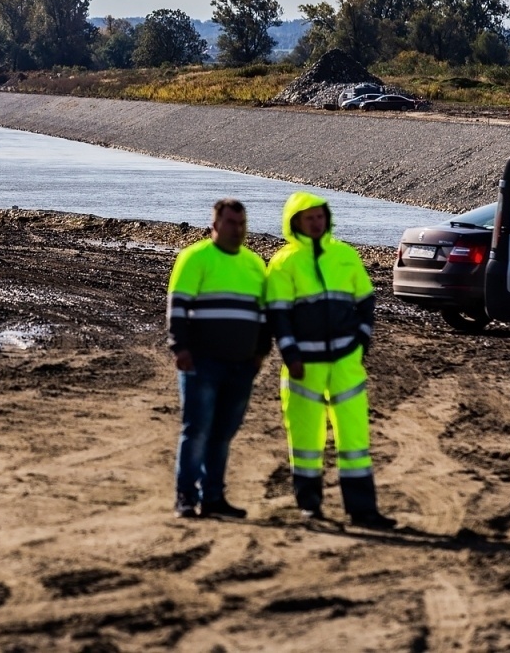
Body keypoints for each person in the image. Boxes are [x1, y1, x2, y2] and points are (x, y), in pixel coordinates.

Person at [265, 190, 395, 529]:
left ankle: (363, 510)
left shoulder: (345, 255)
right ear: (295, 223)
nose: (317, 222)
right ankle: (310, 507)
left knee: (355, 441)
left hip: (345, 364)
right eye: (309, 218)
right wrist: (290, 354)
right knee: (306, 440)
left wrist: (361, 341)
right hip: (303, 365)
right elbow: (278, 315)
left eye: (320, 216)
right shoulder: (283, 262)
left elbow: (366, 301)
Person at [166, 198, 270, 519]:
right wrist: (179, 348)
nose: (237, 229)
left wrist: (259, 355)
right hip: (202, 362)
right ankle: (186, 496)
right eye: (230, 223)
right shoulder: (194, 258)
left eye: (241, 224)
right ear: (214, 225)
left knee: (223, 433)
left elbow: (265, 315)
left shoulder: (255, 264)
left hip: (241, 365)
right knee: (196, 429)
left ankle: (213, 497)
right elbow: (178, 306)